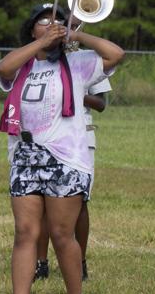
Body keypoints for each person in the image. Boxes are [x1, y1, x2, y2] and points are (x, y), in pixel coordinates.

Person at [0, 2, 124, 294]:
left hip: (66, 159)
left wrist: (77, 34)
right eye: (44, 21)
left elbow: (115, 54)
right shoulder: (23, 65)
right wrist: (40, 44)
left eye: (58, 21)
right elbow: (3, 68)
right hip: (25, 157)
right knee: (25, 231)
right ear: (31, 30)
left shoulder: (77, 63)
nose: (52, 25)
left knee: (61, 233)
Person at [34, 69, 111, 282]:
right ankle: (41, 263)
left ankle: (80, 261)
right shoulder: (42, 58)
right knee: (42, 199)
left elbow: (100, 103)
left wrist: (71, 89)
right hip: (47, 133)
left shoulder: (86, 58)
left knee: (79, 201)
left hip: (80, 135)